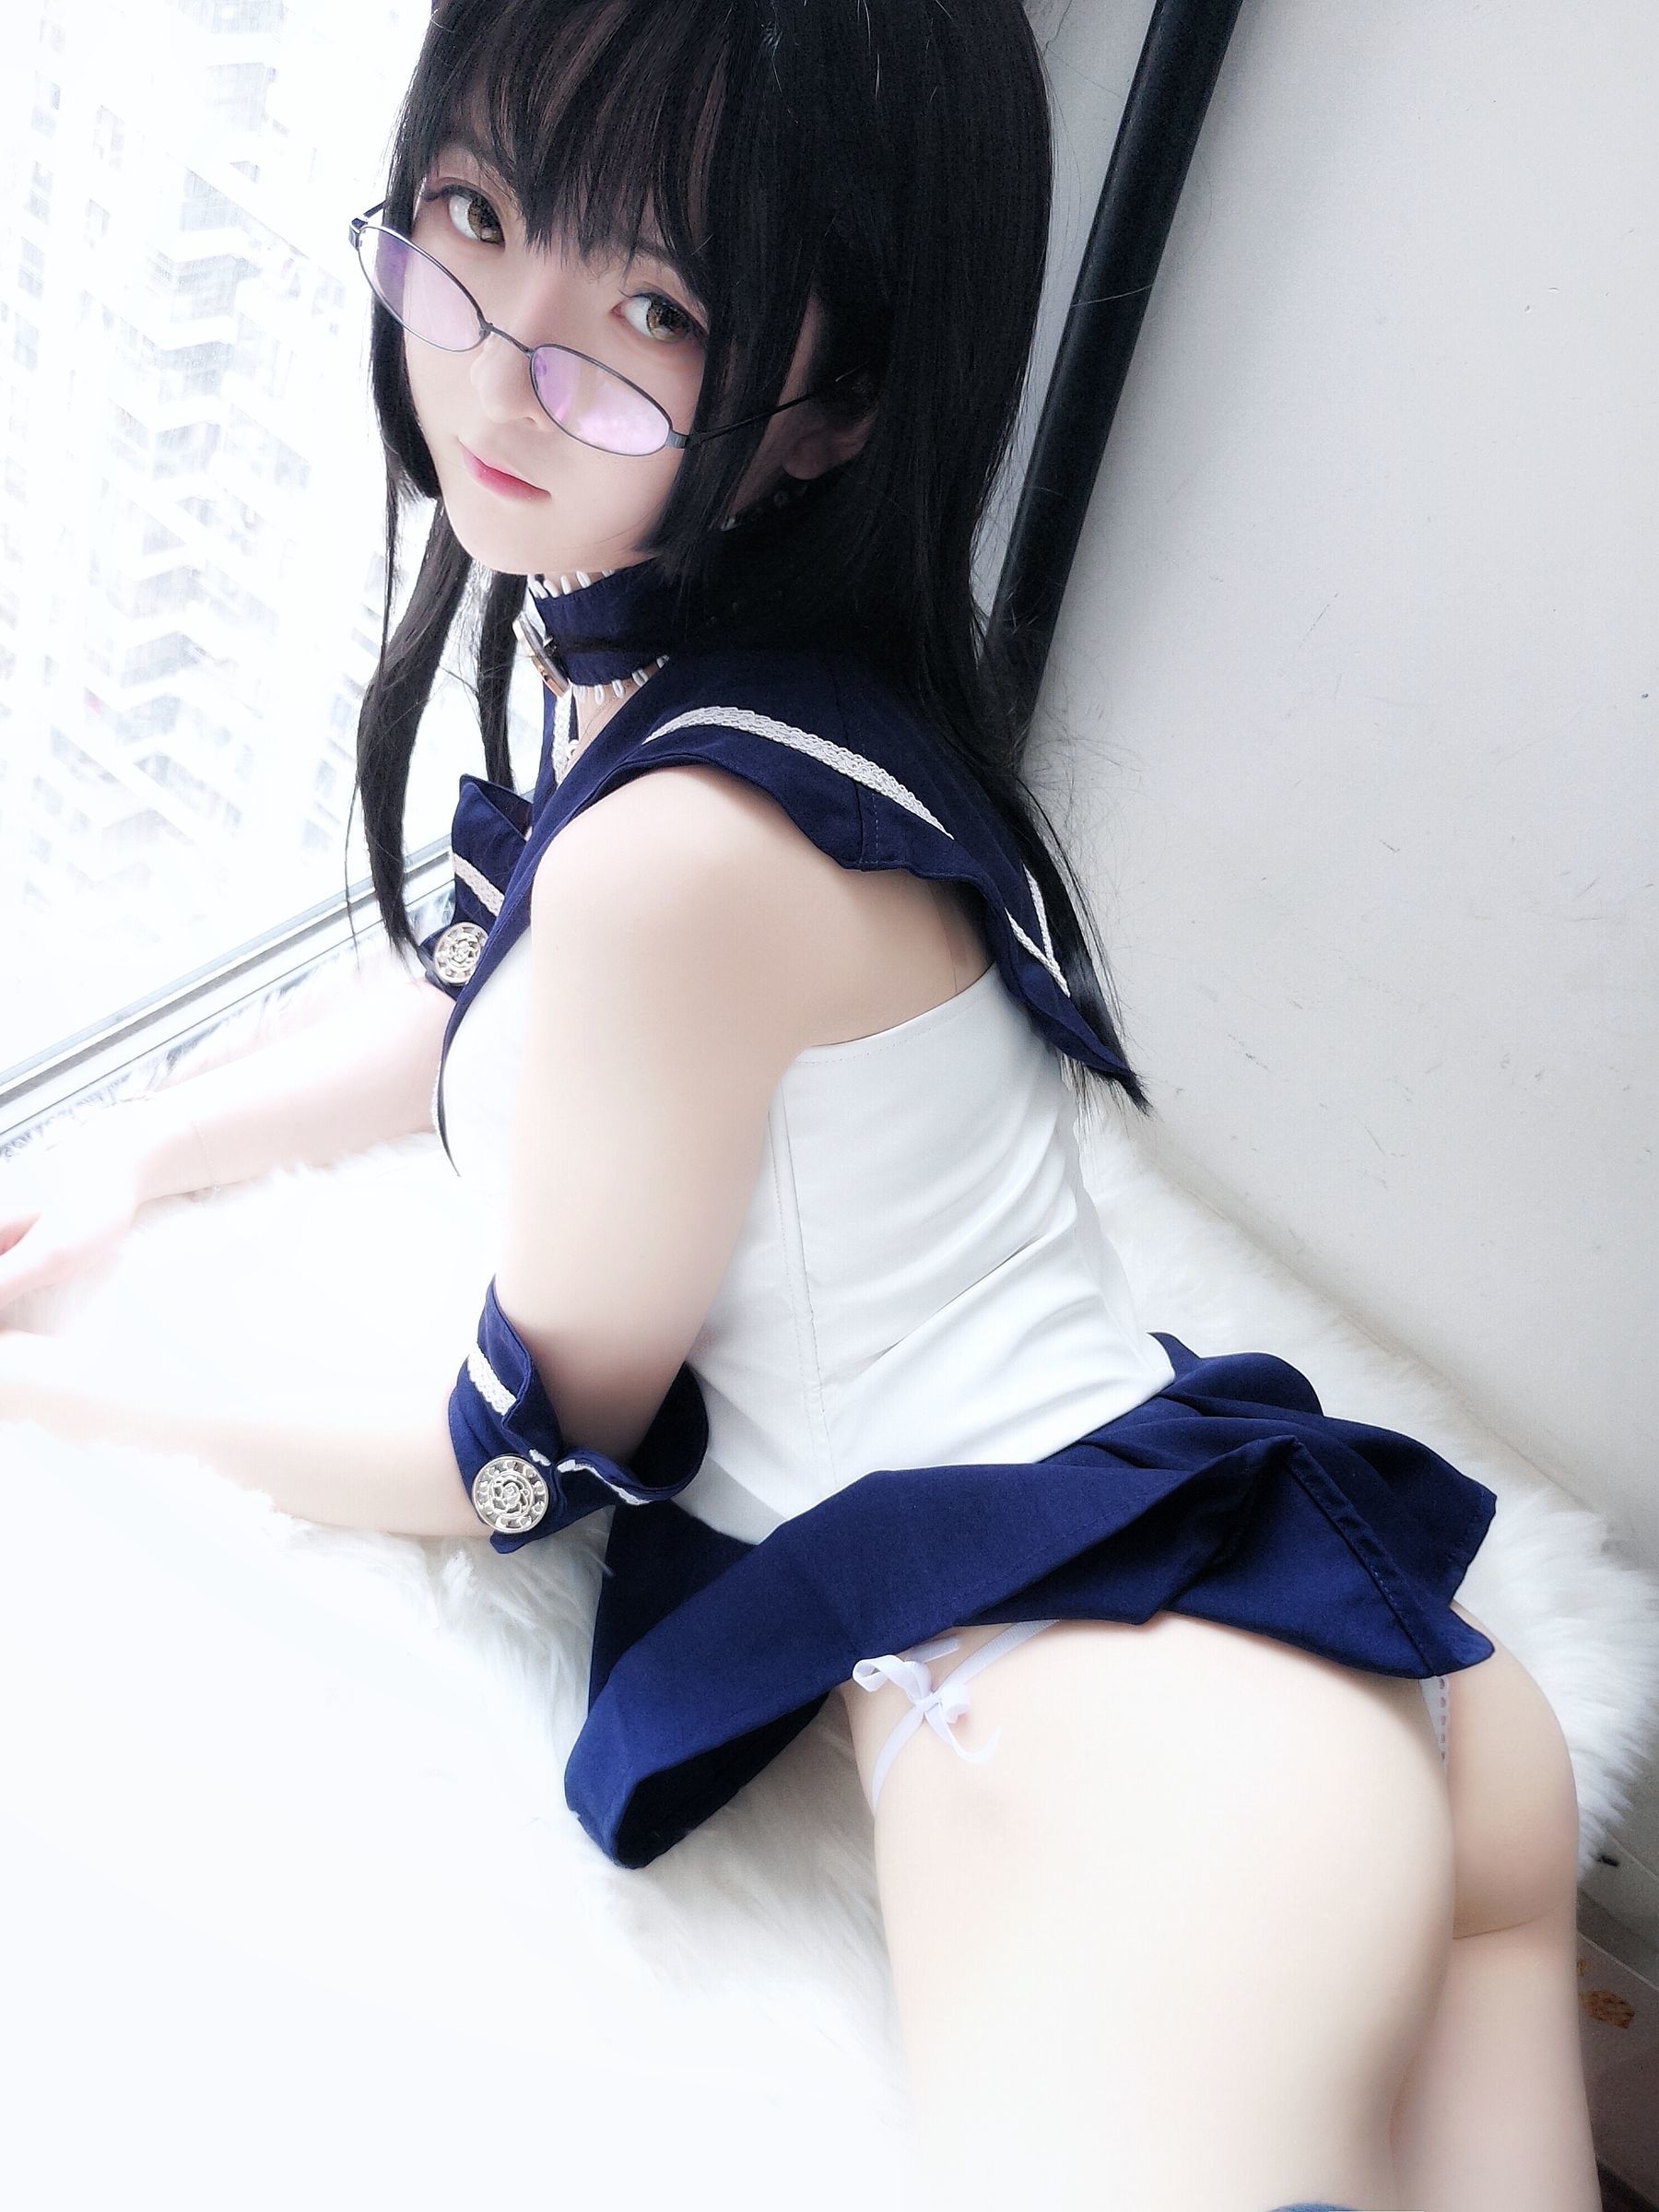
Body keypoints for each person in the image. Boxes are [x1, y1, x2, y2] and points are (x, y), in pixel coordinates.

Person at [0, 4, 1598, 2208]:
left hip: (1114, 1737)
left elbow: (517, 1461)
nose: (506, 364)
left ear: (837, 401)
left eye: (652, 308)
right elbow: (490, 989)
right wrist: (137, 1156)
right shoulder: (766, 699)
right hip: (1319, 1633)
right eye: (473, 213)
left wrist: (72, 1408)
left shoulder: (681, 852)